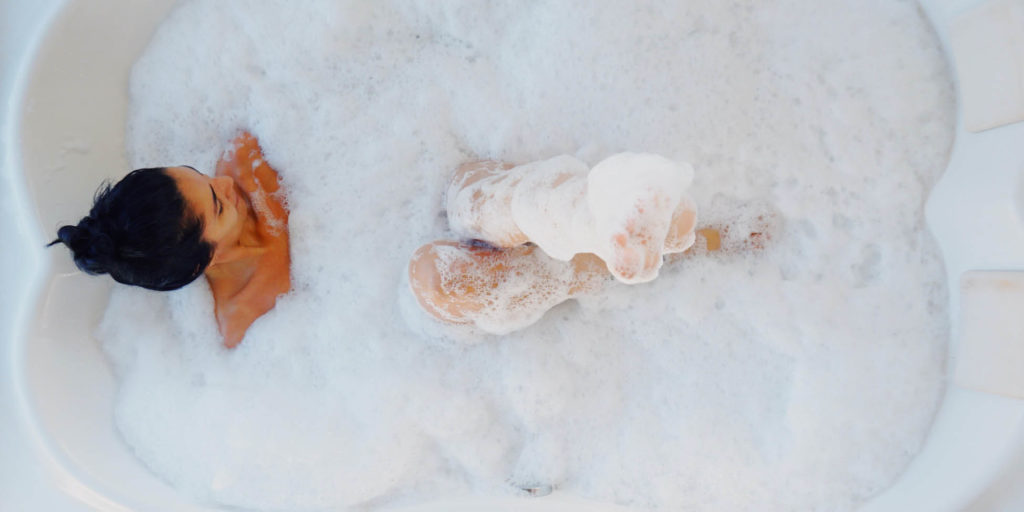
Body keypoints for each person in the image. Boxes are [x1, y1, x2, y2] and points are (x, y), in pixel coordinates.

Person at [51, 132, 290, 348]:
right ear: (205, 260)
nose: (226, 182)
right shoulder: (249, 317)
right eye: (219, 207)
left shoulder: (244, 159)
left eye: (201, 175)